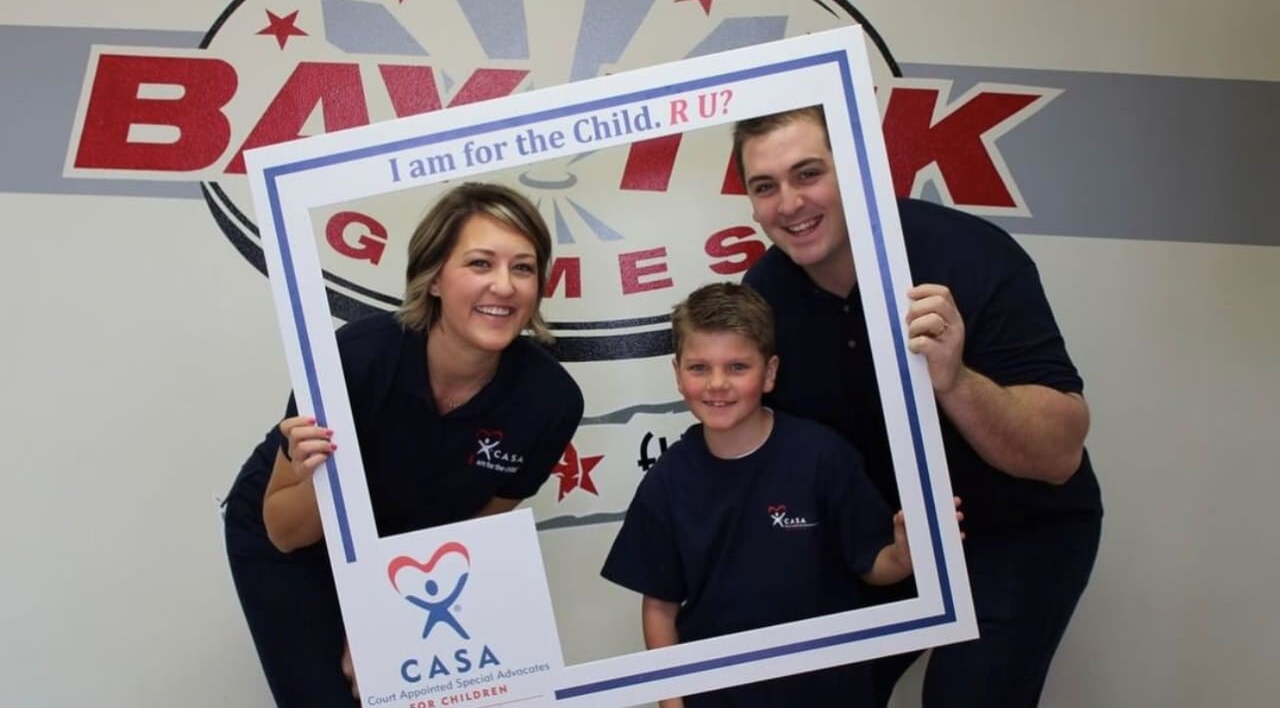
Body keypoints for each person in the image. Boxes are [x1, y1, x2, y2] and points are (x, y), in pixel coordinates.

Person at [735, 106, 1103, 707]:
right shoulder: (766, 296)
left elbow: (1058, 456)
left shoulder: (971, 255)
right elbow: (783, 461)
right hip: (886, 542)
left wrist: (952, 378)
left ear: (857, 171)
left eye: (808, 174)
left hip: (1016, 530)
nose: (790, 203)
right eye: (765, 186)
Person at [222, 182, 585, 707]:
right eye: (480, 264)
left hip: (415, 551)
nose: (504, 286)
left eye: (523, 268)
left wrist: (391, 628)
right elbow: (283, 530)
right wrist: (317, 475)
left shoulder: (550, 400)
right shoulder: (354, 361)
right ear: (434, 277)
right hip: (297, 545)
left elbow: (480, 526)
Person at [601, 282, 931, 708]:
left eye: (737, 366)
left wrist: (905, 555)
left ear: (770, 372)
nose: (717, 384)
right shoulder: (667, 480)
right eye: (699, 367)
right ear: (677, 372)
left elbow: (873, 564)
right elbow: (660, 608)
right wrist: (672, 703)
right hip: (718, 696)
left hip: (832, 690)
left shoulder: (822, 456)